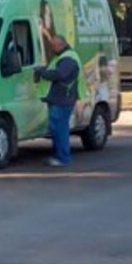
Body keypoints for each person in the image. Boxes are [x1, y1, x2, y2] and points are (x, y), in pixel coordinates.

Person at [33, 35, 86, 167]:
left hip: (62, 99)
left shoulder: (67, 58)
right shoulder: (64, 56)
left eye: (53, 46)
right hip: (62, 98)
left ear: (61, 45)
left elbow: (60, 75)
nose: (52, 48)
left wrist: (42, 72)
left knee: (59, 129)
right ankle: (60, 156)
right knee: (58, 128)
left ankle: (62, 157)